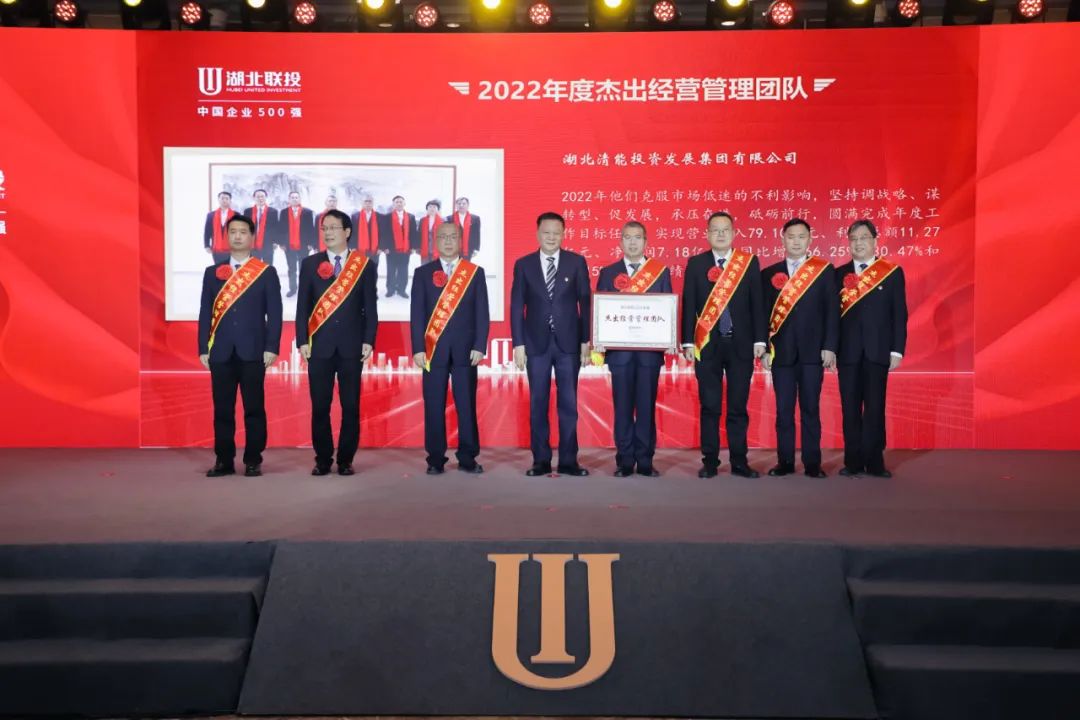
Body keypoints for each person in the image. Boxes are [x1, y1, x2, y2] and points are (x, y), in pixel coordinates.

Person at [681, 211, 767, 478]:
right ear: (707, 234)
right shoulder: (696, 264)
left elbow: (757, 303)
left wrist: (760, 339)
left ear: (734, 233)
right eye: (715, 230)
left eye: (725, 230)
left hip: (741, 344)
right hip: (707, 345)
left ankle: (739, 461)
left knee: (738, 406)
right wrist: (687, 341)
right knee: (710, 405)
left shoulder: (748, 262)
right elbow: (689, 304)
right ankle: (710, 461)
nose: (720, 234)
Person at [197, 215, 282, 478]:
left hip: (253, 351)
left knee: (254, 408)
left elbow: (275, 314)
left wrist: (271, 347)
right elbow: (205, 312)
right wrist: (203, 348)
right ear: (226, 236)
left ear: (252, 237)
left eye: (243, 232)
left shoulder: (266, 272)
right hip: (220, 351)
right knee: (222, 409)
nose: (237, 236)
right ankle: (224, 460)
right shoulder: (212, 273)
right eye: (232, 231)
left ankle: (253, 459)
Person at [295, 209, 378, 476]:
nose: (328, 233)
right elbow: (302, 306)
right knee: (320, 406)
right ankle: (322, 459)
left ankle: (345, 459)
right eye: (324, 228)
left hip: (352, 346)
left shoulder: (364, 265)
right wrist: (302, 339)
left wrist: (368, 339)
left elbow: (370, 307)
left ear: (347, 232)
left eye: (333, 228)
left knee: (350, 406)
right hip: (318, 346)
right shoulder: (310, 264)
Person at [510, 212, 592, 477]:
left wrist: (585, 340)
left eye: (557, 232)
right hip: (536, 344)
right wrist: (518, 343)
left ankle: (569, 461)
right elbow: (516, 306)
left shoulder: (576, 262)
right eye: (546, 232)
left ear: (564, 234)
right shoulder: (524, 265)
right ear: (537, 234)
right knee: (538, 403)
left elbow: (585, 304)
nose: (551, 237)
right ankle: (541, 460)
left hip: (568, 344)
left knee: (569, 404)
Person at [761, 218, 839, 478]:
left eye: (801, 236)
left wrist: (830, 346)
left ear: (810, 239)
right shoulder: (769, 274)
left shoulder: (823, 270)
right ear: (782, 239)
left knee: (810, 409)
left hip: (812, 353)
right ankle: (784, 461)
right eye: (791, 236)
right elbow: (762, 315)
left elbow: (832, 311)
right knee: (783, 410)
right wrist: (764, 349)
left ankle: (812, 463)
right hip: (780, 353)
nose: (796, 241)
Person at [594, 221, 673, 477]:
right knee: (623, 409)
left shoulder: (660, 272)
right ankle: (625, 460)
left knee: (647, 408)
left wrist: (669, 338)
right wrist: (599, 339)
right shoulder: (609, 272)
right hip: (620, 354)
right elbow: (601, 311)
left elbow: (667, 310)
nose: (632, 242)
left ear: (646, 242)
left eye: (637, 237)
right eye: (627, 237)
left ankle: (646, 460)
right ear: (620, 241)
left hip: (650, 355)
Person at [410, 223, 489, 475]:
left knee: (466, 405)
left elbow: (482, 312)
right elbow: (417, 315)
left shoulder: (474, 272)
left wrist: (480, 345)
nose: (447, 241)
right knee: (434, 405)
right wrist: (418, 348)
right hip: (432, 350)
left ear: (461, 240)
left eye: (452, 236)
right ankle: (435, 458)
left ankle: (468, 457)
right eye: (442, 237)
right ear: (435, 241)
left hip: (466, 350)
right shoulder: (423, 273)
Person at [836, 219, 907, 478]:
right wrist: (830, 349)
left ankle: (875, 461)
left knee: (875, 408)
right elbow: (832, 318)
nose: (859, 243)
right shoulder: (837, 274)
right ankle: (853, 461)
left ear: (875, 241)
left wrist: (897, 350)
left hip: (878, 352)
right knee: (850, 409)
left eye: (864, 238)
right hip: (847, 353)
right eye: (854, 239)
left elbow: (899, 314)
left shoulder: (891, 272)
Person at [278, 191, 316, 298]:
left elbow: (311, 229)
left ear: (299, 199)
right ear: (289, 199)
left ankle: (304, 289)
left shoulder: (307, 212)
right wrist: (281, 243)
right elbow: (280, 229)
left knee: (303, 268)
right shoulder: (284, 212)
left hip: (304, 245)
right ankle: (293, 289)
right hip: (288, 246)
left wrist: (311, 243)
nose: (294, 199)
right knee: (291, 268)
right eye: (292, 197)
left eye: (296, 197)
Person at [380, 195, 417, 299]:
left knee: (403, 270)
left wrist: (413, 247)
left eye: (401, 202)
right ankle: (390, 290)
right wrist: (384, 247)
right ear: (393, 204)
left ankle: (402, 290)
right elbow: (383, 233)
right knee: (391, 270)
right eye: (397, 202)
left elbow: (413, 233)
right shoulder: (387, 217)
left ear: (404, 203)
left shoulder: (411, 217)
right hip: (391, 249)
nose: (399, 203)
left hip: (406, 249)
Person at [203, 191, 236, 265]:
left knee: (231, 268)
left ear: (230, 201)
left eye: (227, 198)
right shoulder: (211, 215)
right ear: (218, 200)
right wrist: (206, 245)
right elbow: (207, 231)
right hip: (216, 248)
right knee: (218, 269)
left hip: (232, 248)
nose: (224, 200)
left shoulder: (236, 214)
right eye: (222, 198)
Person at [243, 189, 275, 263]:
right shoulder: (247, 211)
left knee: (268, 267)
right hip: (252, 244)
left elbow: (275, 228)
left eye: (262, 196)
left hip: (267, 244)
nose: (260, 198)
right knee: (254, 267)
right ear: (254, 198)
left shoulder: (273, 211)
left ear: (266, 197)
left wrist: (275, 241)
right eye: (258, 197)